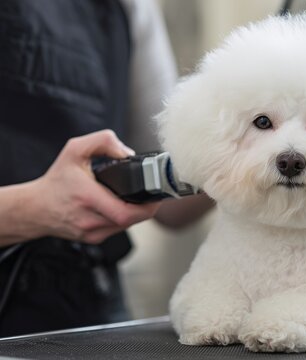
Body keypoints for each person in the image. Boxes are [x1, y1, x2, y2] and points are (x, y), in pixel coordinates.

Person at [0, 0, 213, 336]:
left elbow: (171, 205)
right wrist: (32, 209)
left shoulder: (129, 7)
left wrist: (239, 156)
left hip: (89, 310)